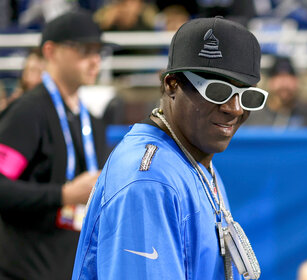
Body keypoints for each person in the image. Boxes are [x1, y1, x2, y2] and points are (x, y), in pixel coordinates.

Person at [72, 16, 266, 280]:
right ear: (172, 84)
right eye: (218, 91)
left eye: (248, 96)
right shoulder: (149, 182)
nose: (235, 108)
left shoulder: (194, 159)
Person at [0, 10, 108, 279]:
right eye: (84, 50)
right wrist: (63, 195)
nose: (95, 61)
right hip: (24, 270)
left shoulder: (92, 122)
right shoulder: (28, 113)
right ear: (51, 51)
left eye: (99, 52)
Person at [246, 55, 307, 127]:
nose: (284, 83)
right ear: (269, 81)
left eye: (289, 77)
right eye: (279, 77)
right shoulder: (252, 116)